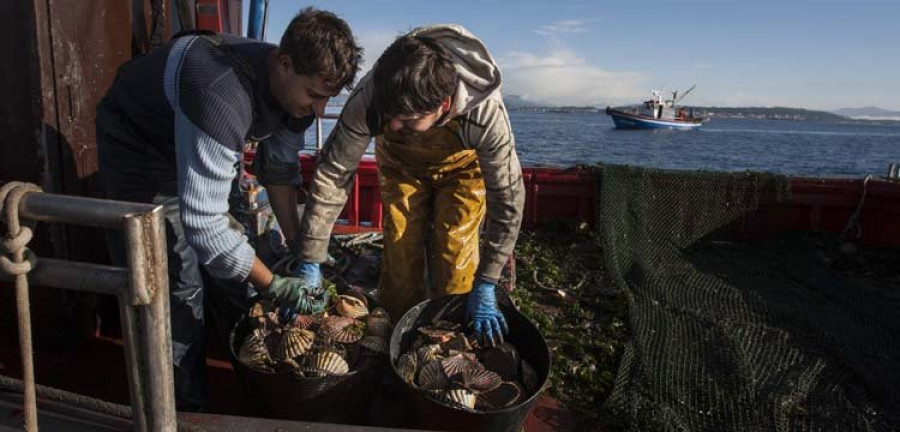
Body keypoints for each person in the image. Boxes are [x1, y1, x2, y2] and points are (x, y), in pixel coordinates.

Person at [96, 8, 362, 410]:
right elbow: (203, 223)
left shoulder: (296, 95)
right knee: (176, 284)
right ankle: (183, 407)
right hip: (142, 147)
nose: (321, 110)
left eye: (329, 98)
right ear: (285, 64)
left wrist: (297, 248)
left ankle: (248, 374)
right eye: (315, 95)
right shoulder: (220, 93)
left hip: (205, 139)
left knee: (242, 272)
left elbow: (278, 170)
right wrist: (273, 285)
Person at [294, 24, 525, 347]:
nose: (391, 126)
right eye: (389, 115)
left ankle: (447, 344)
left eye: (407, 119)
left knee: (455, 258)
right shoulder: (370, 98)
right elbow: (333, 173)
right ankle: (396, 341)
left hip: (462, 169)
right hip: (400, 164)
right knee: (400, 256)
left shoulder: (485, 114)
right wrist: (311, 258)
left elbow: (507, 199)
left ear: (444, 105)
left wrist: (486, 281)